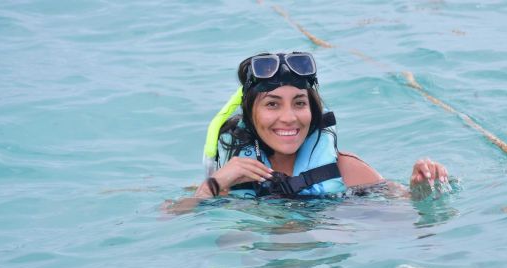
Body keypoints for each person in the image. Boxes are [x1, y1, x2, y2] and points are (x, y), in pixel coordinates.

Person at [165, 52, 449, 213]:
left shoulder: (347, 170)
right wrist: (213, 185)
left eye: (299, 103)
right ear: (250, 115)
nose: (288, 118)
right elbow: (169, 218)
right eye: (272, 104)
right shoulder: (230, 178)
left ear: (312, 111)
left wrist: (423, 193)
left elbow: (409, 220)